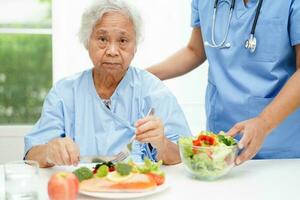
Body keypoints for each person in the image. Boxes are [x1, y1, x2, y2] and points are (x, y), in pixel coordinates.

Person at [24, 0, 191, 168]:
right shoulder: (64, 93)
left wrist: (162, 143)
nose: (112, 51)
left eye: (123, 40)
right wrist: (49, 151)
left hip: (140, 189)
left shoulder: (154, 92)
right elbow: (31, 155)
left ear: (135, 46)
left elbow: (184, 156)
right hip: (79, 189)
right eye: (102, 39)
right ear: (87, 42)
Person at [147, 0, 300, 165]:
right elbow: (195, 50)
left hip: (280, 145)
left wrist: (264, 122)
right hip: (222, 140)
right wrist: (141, 76)